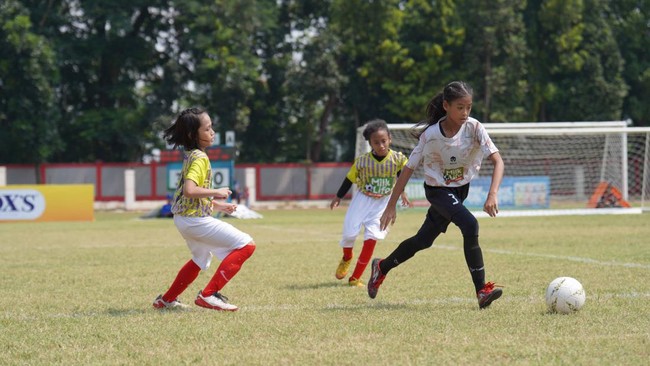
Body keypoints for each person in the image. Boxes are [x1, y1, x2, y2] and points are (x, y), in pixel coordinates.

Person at [366, 81, 505, 309]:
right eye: (460, 107)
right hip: (438, 190)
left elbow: (498, 161)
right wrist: (390, 205)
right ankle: (482, 291)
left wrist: (493, 194)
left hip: (460, 190)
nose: (465, 112)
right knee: (470, 225)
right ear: (446, 106)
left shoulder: (475, 127)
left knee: (423, 241)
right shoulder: (431, 135)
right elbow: (408, 169)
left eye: (468, 107)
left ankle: (381, 267)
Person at [152, 107, 256, 311]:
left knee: (200, 259)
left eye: (212, 128)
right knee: (246, 245)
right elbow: (190, 190)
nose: (212, 132)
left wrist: (219, 205)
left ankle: (166, 300)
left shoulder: (191, 155)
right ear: (193, 134)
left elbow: (186, 194)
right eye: (207, 129)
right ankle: (208, 295)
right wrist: (216, 192)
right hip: (194, 221)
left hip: (184, 219)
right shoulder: (200, 158)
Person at [330, 119, 411, 287]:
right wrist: (338, 196)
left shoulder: (397, 158)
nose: (381, 145)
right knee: (349, 234)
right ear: (370, 143)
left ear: (390, 138)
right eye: (376, 142)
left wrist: (402, 192)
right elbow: (349, 179)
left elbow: (402, 175)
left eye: (384, 140)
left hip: (382, 203)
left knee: (372, 237)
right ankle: (347, 257)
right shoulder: (362, 161)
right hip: (362, 200)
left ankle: (355, 278)